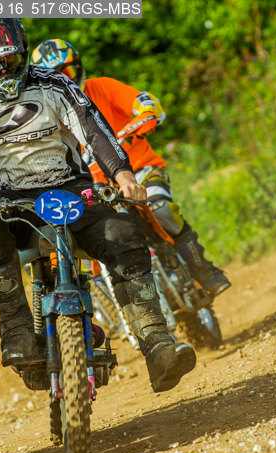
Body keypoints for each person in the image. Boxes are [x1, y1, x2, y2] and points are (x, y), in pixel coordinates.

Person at [0, 18, 196, 393]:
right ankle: (16, 330)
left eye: (12, 60)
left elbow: (94, 129)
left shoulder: (55, 84)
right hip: (4, 202)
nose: (5, 70)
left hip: (69, 190)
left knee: (124, 234)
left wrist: (123, 175)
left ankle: (157, 344)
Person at [29, 39, 231, 297]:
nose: (62, 81)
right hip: (94, 188)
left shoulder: (102, 87)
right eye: (52, 76)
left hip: (141, 169)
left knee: (161, 208)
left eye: (65, 72)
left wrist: (146, 111)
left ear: (78, 68)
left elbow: (140, 100)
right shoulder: (45, 115)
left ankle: (205, 271)